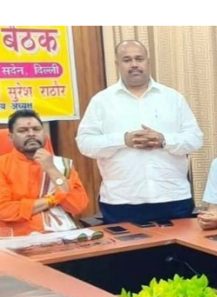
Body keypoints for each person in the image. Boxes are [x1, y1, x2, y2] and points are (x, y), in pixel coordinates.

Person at [76, 40, 203, 224]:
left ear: (148, 62)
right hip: (122, 201)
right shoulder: (101, 101)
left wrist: (164, 140)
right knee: (130, 254)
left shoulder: (173, 98)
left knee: (180, 253)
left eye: (139, 59)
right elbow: (85, 143)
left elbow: (195, 139)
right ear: (117, 64)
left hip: (172, 198)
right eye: (127, 60)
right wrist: (123, 140)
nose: (134, 64)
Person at [0, 109, 88, 236]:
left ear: (44, 133)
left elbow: (78, 206)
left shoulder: (61, 165)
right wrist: (51, 200)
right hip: (18, 238)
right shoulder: (2, 165)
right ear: (10, 137)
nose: (31, 134)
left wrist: (51, 169)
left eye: (36, 129)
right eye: (22, 130)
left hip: (62, 234)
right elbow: (4, 210)